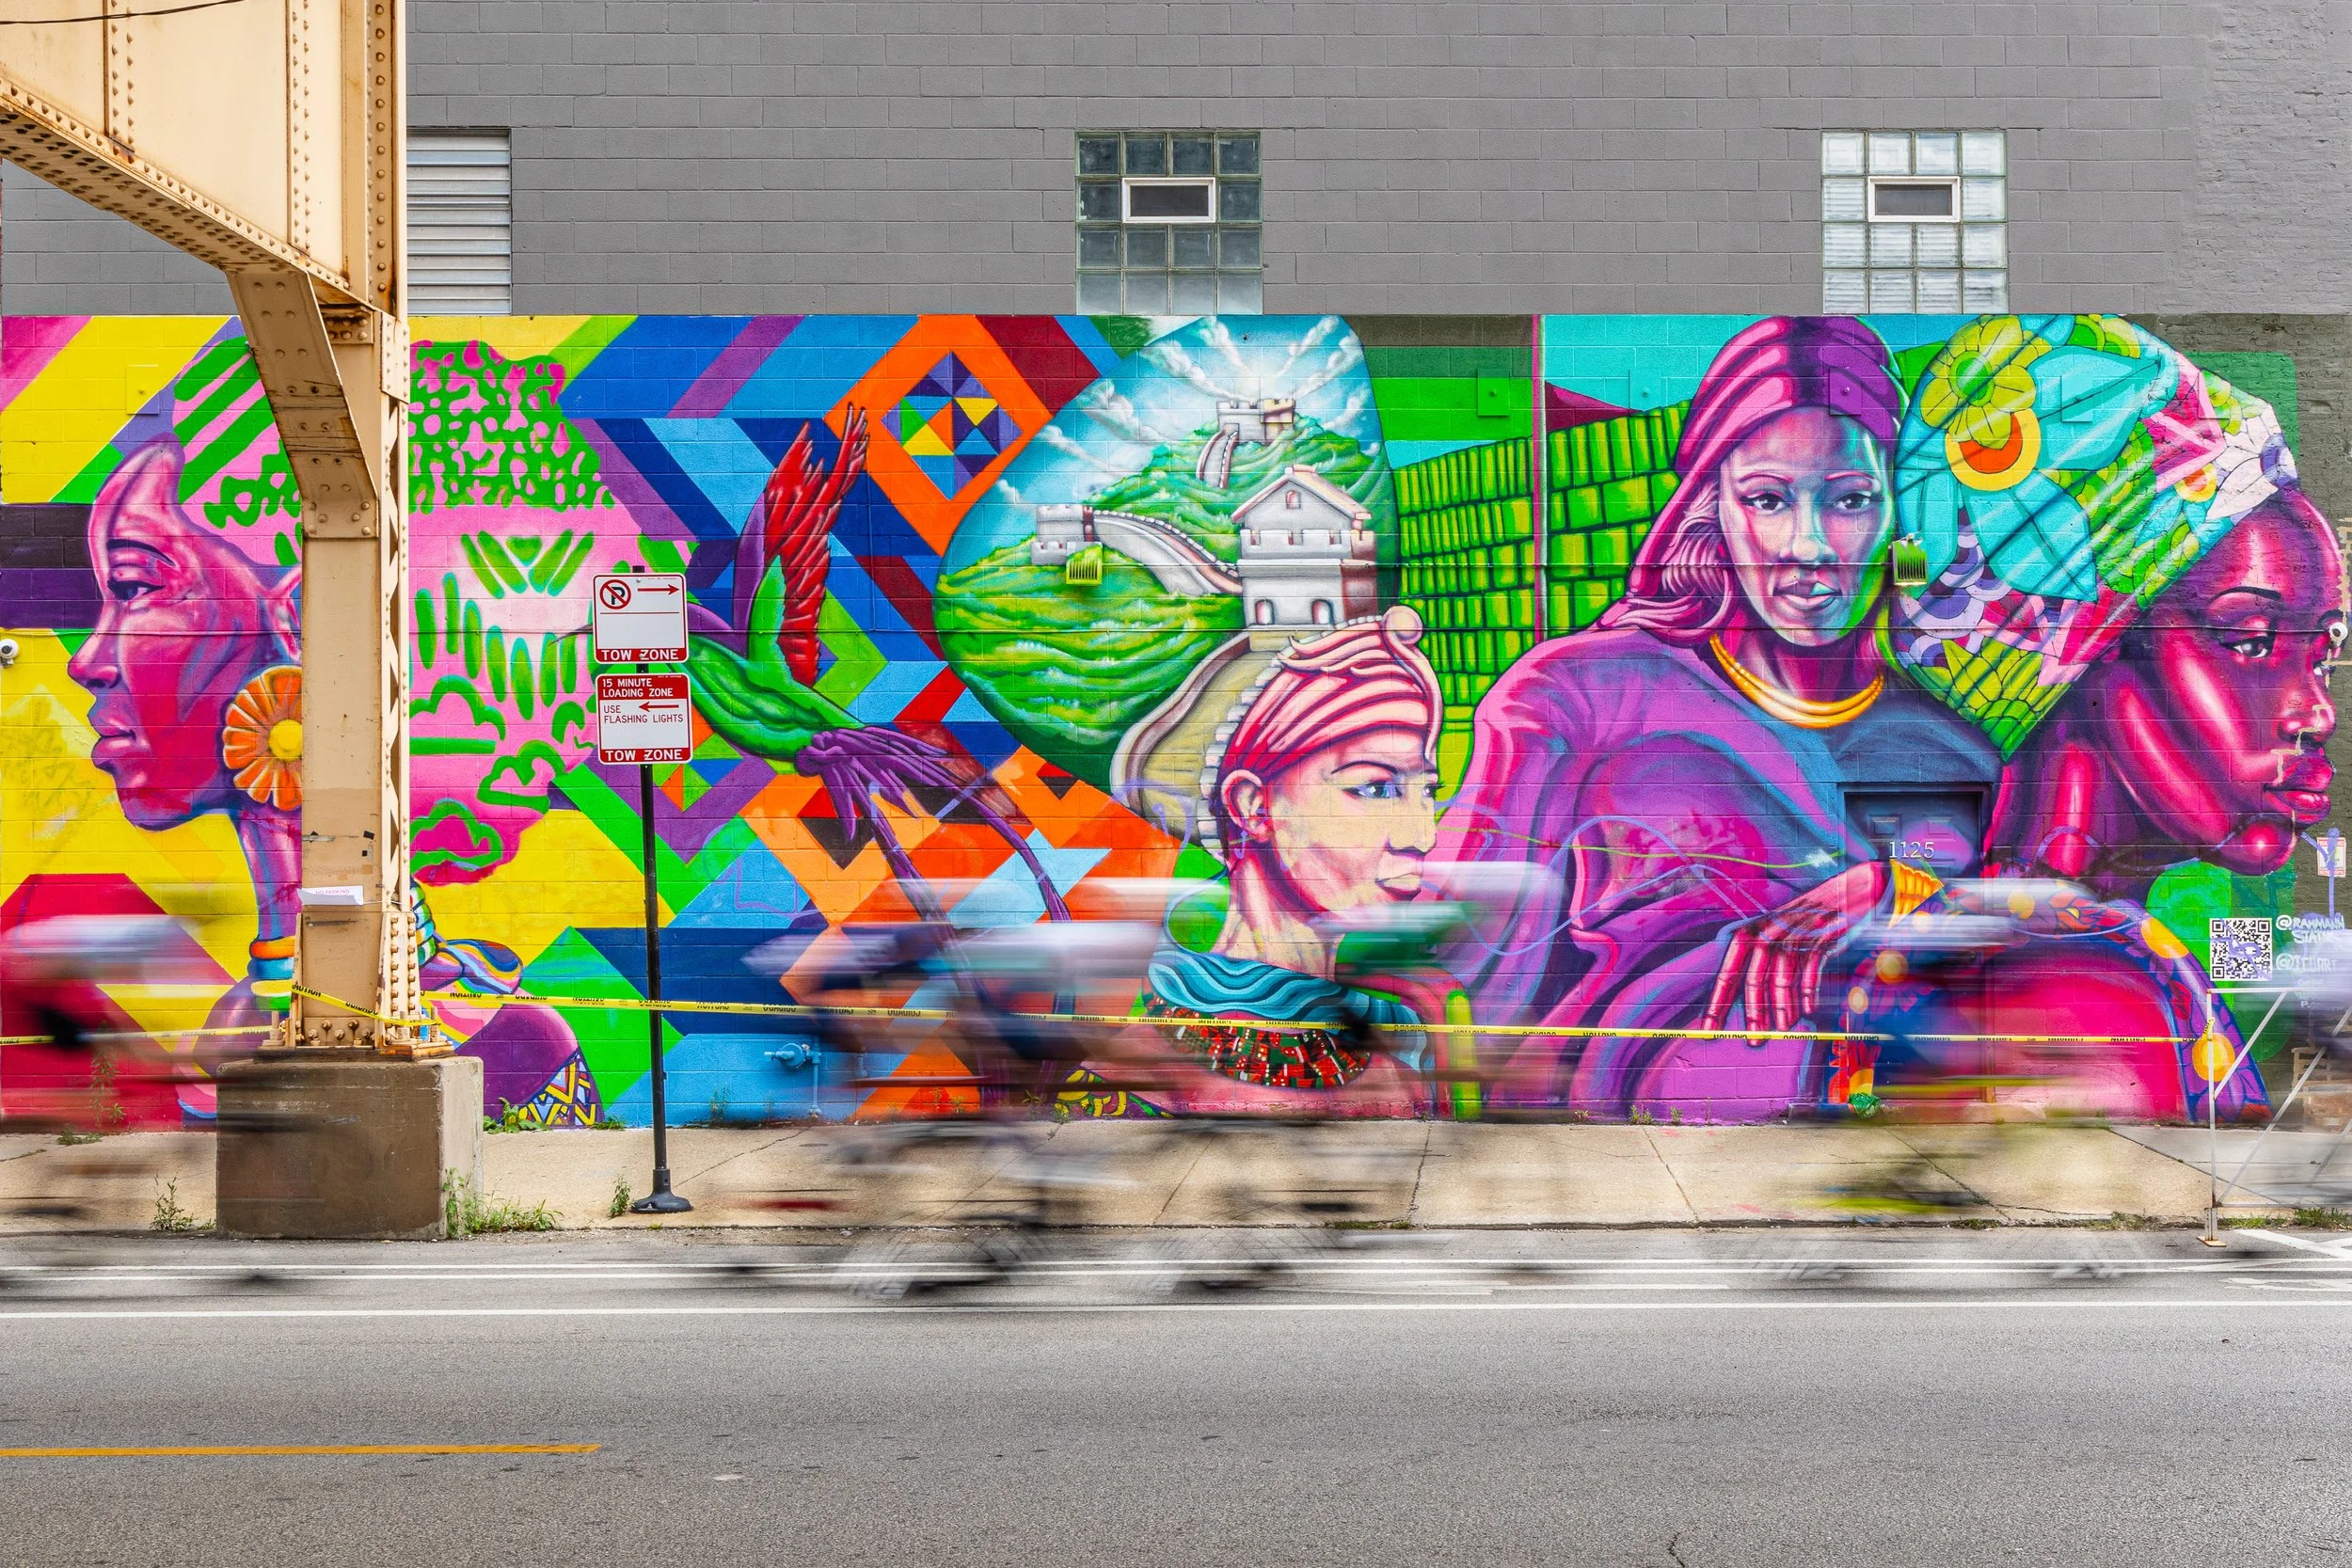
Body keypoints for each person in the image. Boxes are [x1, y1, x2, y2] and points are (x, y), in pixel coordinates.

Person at [1439, 317, 2002, 1119]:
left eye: (1849, 500)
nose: (1807, 545)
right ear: (1712, 507)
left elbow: (1981, 925)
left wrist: (1886, 887)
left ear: (1892, 517)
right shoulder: (1577, 698)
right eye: (1768, 498)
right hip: (1592, 1143)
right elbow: (1466, 967)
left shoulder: (1945, 750)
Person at [1854, 316, 2342, 1121]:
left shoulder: (2027, 936)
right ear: (2087, 651)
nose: (2314, 709)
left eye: (2322, 653)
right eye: (2250, 641)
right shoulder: (2087, 978)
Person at [68, 436, 600, 1122]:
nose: (87, 659)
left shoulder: (507, 1038)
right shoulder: (223, 1034)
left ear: (302, 619)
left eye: (137, 586)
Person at [1101, 606, 1457, 1116]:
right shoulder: (1133, 1087)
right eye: (1376, 788)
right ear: (1255, 807)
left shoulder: (1399, 1053)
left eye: (1427, 792)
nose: (1422, 836)